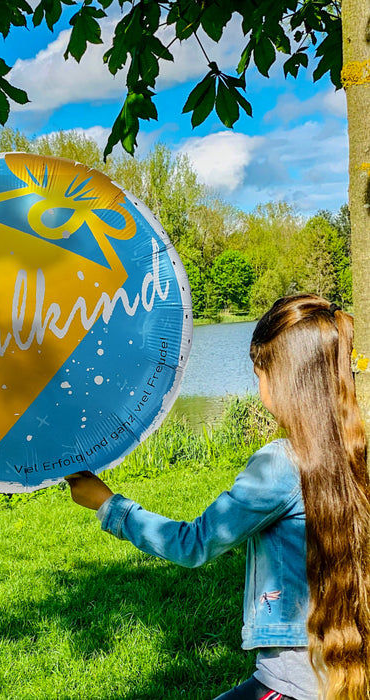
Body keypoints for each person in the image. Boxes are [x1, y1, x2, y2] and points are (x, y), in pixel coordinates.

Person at [66, 294, 370, 700]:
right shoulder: (355, 455)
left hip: (292, 685)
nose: (257, 385)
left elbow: (193, 544)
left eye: (259, 373)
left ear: (284, 378)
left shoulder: (280, 465)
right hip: (341, 674)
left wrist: (108, 505)